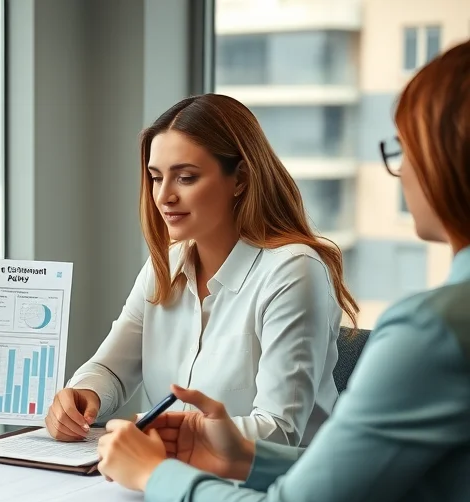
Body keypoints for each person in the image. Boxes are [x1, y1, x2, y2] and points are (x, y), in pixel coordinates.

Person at [95, 40, 470, 502]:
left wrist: (156, 477)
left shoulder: (431, 332)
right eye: (156, 177)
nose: (400, 171)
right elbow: (367, 492)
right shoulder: (169, 261)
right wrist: (238, 456)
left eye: (406, 149)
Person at [47, 94, 358, 446]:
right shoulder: (165, 266)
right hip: (176, 477)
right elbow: (109, 370)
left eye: (186, 177)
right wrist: (82, 395)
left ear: (239, 179)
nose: (163, 196)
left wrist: (168, 432)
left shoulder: (294, 271)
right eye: (155, 177)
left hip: (274, 488)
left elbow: (279, 430)